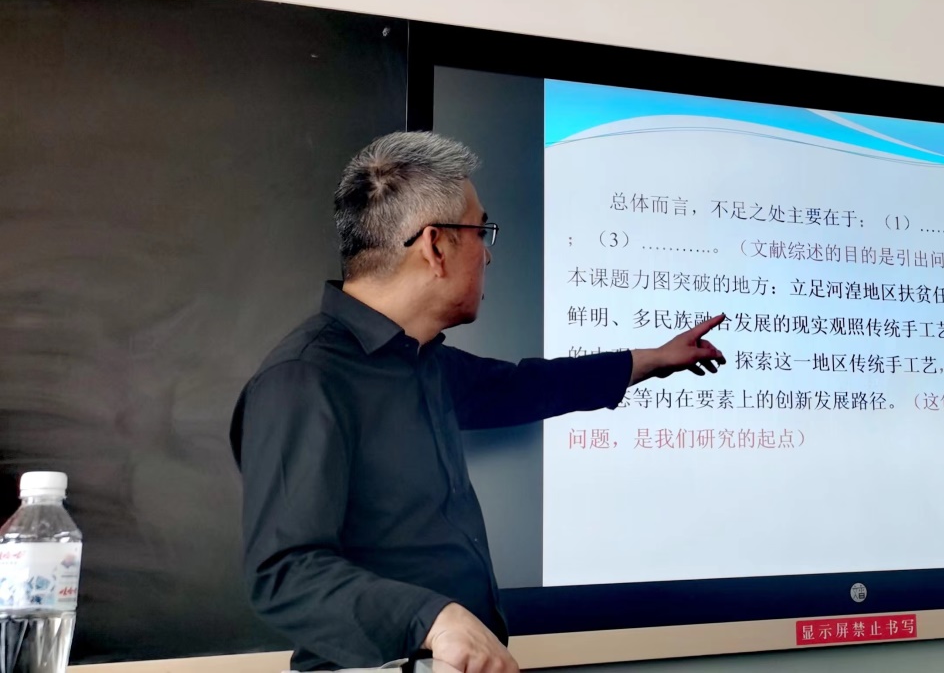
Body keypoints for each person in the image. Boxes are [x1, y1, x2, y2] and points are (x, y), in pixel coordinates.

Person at [230, 132, 725, 672]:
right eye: (480, 231)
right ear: (435, 247)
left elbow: (524, 387)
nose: (487, 253)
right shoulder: (303, 379)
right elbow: (285, 573)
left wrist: (648, 360)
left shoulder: (422, 361)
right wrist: (434, 619)